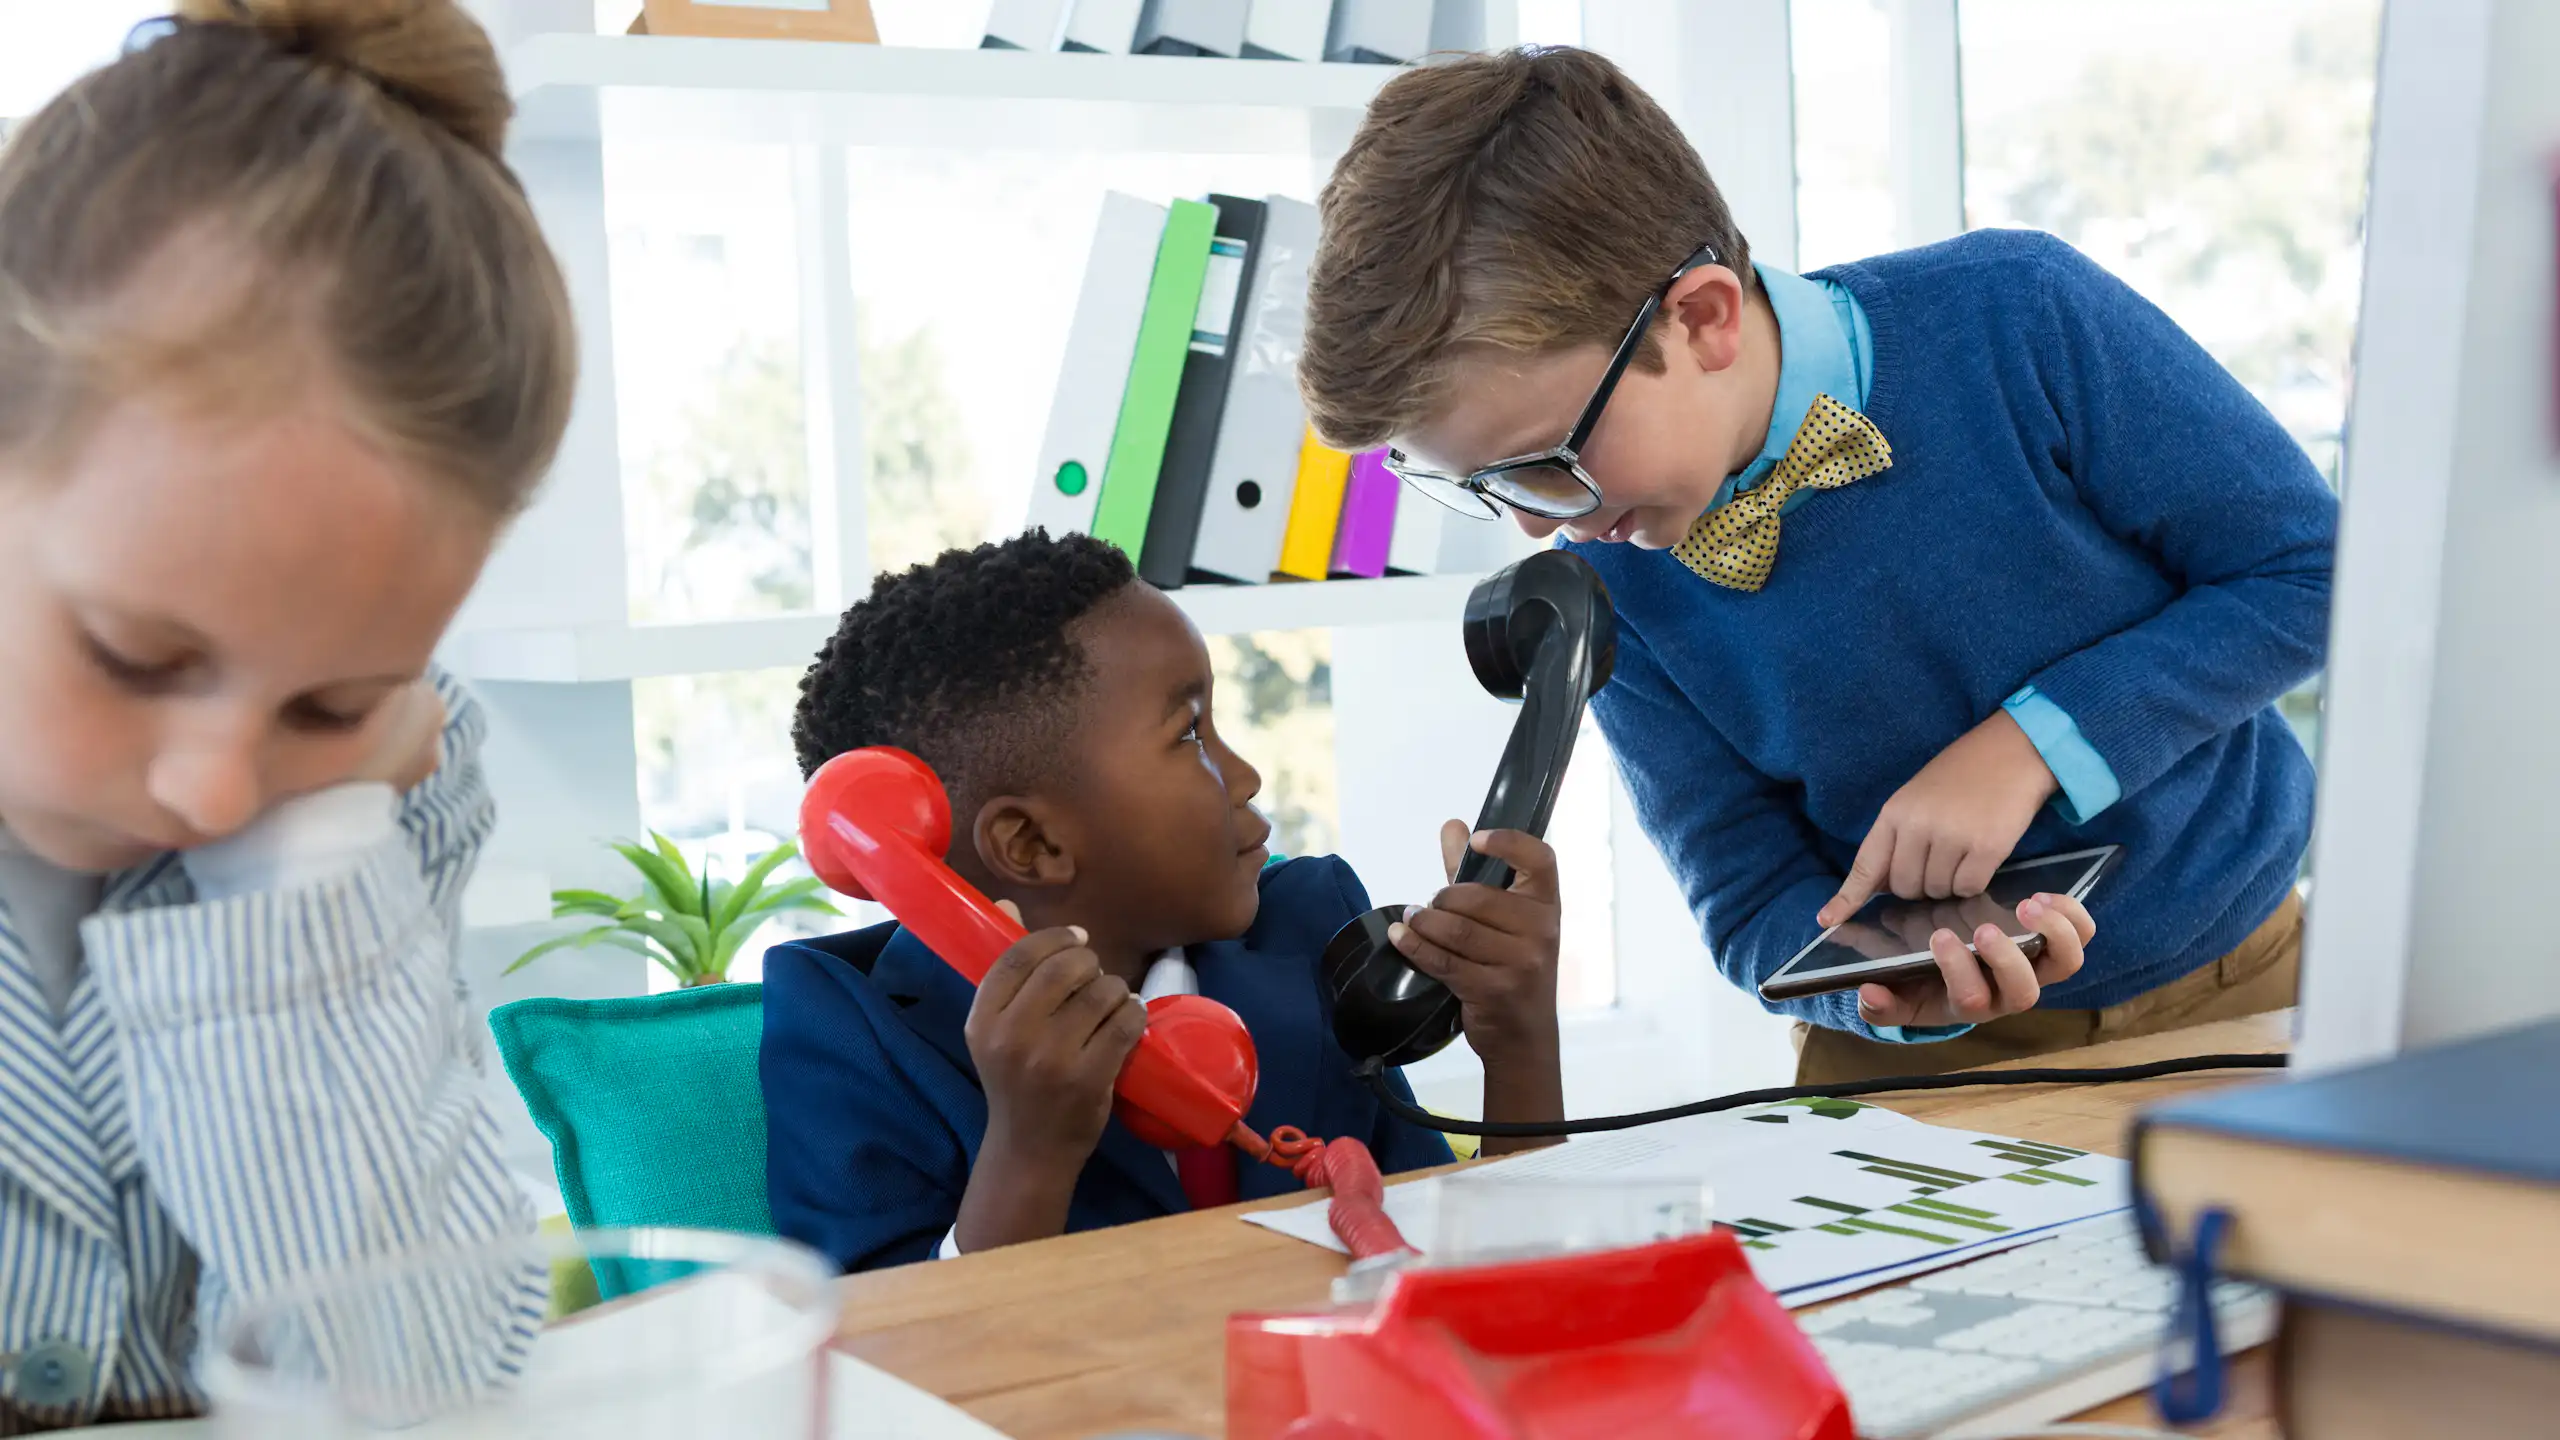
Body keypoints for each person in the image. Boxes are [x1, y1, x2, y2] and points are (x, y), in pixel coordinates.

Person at [1296, 47, 2330, 1083]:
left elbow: (2313, 572)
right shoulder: (1606, 571)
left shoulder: (2019, 316)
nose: (1533, 527)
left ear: (1700, 318)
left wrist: (2029, 747)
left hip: (2244, 990)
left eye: (1549, 463)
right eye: (1488, 486)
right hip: (1902, 1069)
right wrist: (1883, 994)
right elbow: (1746, 900)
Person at [0, 0, 576, 1423]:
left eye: (327, 703)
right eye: (134, 656)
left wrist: (304, 866)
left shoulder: (399, 779)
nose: (212, 790)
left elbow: (417, 1377)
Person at [762, 532, 1564, 1273]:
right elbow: (892, 1385)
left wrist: (1519, 1040)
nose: (1244, 774)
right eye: (1189, 734)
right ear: (1033, 845)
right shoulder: (853, 1039)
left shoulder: (1311, 932)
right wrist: (1029, 1153)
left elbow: (1489, 1282)